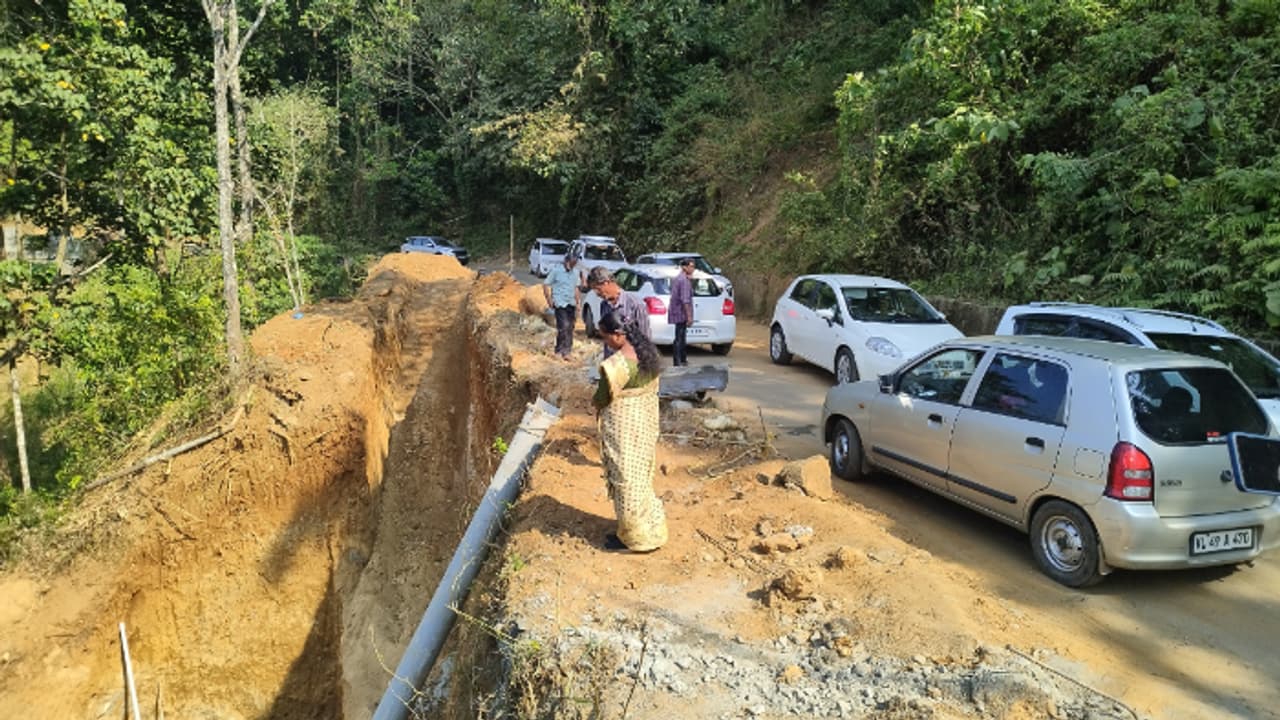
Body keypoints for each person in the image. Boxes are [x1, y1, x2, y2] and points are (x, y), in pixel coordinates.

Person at [592, 312, 668, 552]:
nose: (606, 342)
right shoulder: (649, 355)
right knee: (641, 476)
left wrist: (596, 403)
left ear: (617, 335)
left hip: (623, 430)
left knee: (623, 478)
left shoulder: (614, 367)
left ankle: (633, 535)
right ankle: (650, 526)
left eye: (606, 337)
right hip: (644, 426)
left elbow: (601, 398)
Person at [585, 266, 652, 357]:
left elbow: (645, 340)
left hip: (630, 360)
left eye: (598, 289)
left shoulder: (636, 305)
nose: (597, 294)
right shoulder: (604, 305)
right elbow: (607, 338)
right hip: (612, 361)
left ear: (606, 282)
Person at [542, 253, 582, 359]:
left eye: (574, 264)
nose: (571, 265)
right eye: (570, 263)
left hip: (571, 303)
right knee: (563, 326)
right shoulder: (556, 271)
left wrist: (578, 303)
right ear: (566, 261)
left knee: (570, 327)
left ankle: (567, 351)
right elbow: (546, 284)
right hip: (560, 303)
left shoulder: (576, 273)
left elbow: (576, 288)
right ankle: (559, 350)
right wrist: (549, 300)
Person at [668, 257, 696, 367]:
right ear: (684, 267)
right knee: (679, 337)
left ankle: (682, 360)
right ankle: (678, 361)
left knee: (682, 337)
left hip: (678, 311)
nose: (692, 269)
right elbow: (685, 300)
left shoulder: (681, 278)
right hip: (680, 312)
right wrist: (689, 316)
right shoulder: (683, 280)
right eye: (690, 266)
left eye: (693, 266)